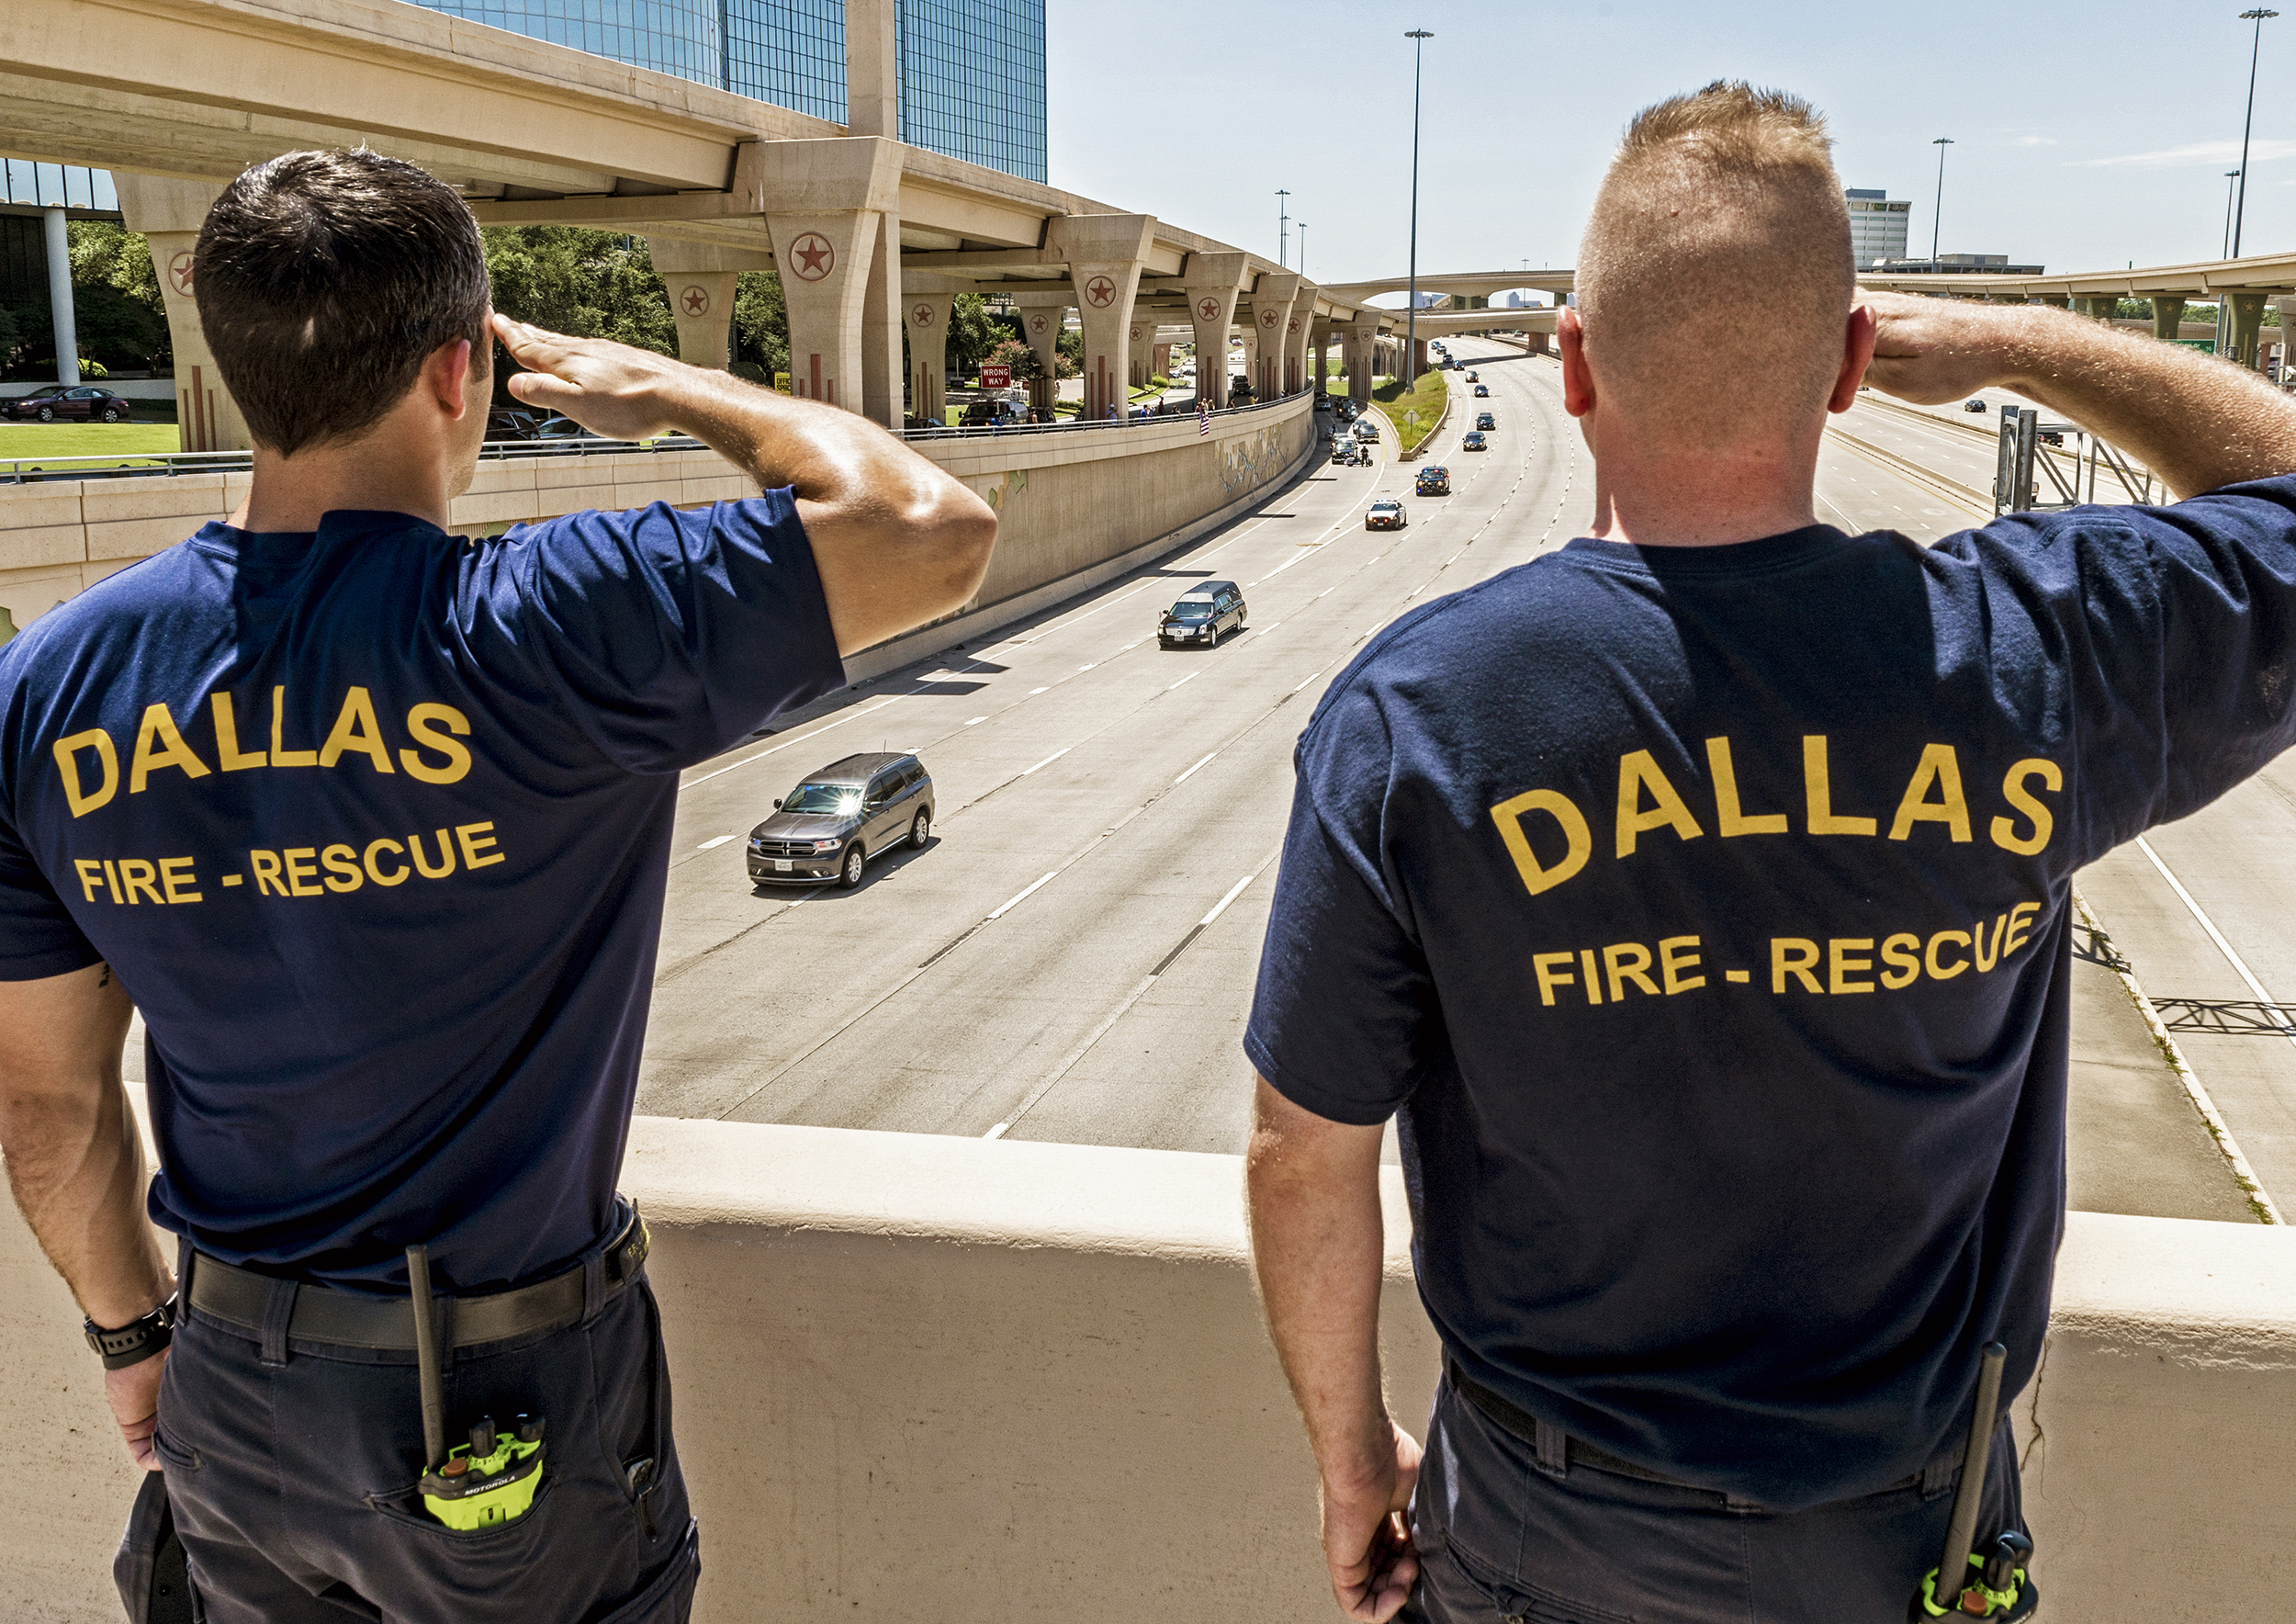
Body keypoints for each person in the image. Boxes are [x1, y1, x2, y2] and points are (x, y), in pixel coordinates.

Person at [1243, 81, 2296, 1624]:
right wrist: (2021, 345)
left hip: (1546, 1525)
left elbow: (1304, 1154)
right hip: (1897, 1538)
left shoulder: (1423, 713)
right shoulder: (2030, 654)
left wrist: (1352, 1463)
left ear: (1575, 366)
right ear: (1857, 365)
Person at [0, 148, 994, 1623]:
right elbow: (929, 527)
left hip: (228, 1396)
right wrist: (664, 386)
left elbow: (48, 1105)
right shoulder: (551, 624)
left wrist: (130, 1337)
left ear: (233, 361)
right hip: (499, 1415)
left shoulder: (51, 684)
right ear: (463, 369)